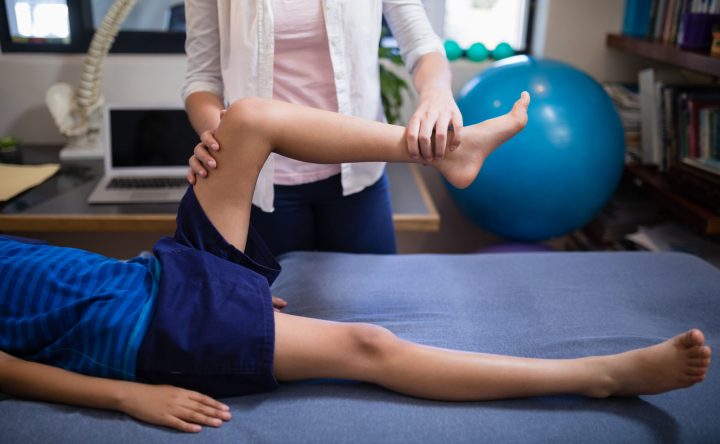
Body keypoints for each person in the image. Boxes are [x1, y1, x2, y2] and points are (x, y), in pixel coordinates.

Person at [0, 94, 711, 434]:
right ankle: (599, 376)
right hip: (157, 331)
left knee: (249, 121)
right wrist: (130, 396)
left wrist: (218, 283)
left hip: (158, 274)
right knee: (369, 345)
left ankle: (449, 151)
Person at [183, 0, 461, 255]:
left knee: (373, 305)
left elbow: (422, 44)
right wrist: (222, 140)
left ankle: (461, 151)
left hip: (357, 176)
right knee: (264, 306)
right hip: (260, 183)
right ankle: (460, 152)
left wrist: (437, 92)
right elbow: (202, 79)